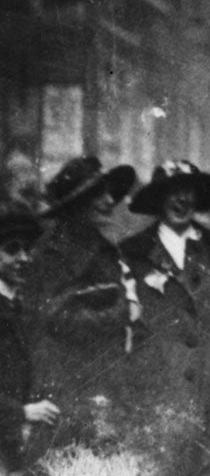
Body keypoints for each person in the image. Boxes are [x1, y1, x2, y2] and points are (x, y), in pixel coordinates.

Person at [116, 161, 210, 476]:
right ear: (158, 200)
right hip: (155, 380)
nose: (180, 201)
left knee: (209, 463)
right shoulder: (133, 252)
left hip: (208, 379)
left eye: (187, 192)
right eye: (171, 193)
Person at [23, 155, 133, 455]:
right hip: (61, 388)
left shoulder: (103, 248)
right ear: (77, 203)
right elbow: (54, 317)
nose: (109, 201)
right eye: (98, 194)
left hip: (103, 385)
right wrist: (120, 313)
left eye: (110, 193)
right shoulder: (50, 253)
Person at [0, 205, 58, 476]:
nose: (23, 258)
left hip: (16, 440)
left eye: (27, 249)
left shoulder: (20, 305)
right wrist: (22, 412)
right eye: (12, 250)